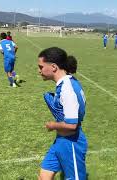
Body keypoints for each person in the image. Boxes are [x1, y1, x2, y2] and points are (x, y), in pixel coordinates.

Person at [37, 47, 88, 180]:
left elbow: (72, 125)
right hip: (61, 140)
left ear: (53, 67)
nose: (39, 71)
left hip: (71, 143)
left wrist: (52, 125)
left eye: (41, 67)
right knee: (44, 176)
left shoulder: (67, 89)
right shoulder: (67, 82)